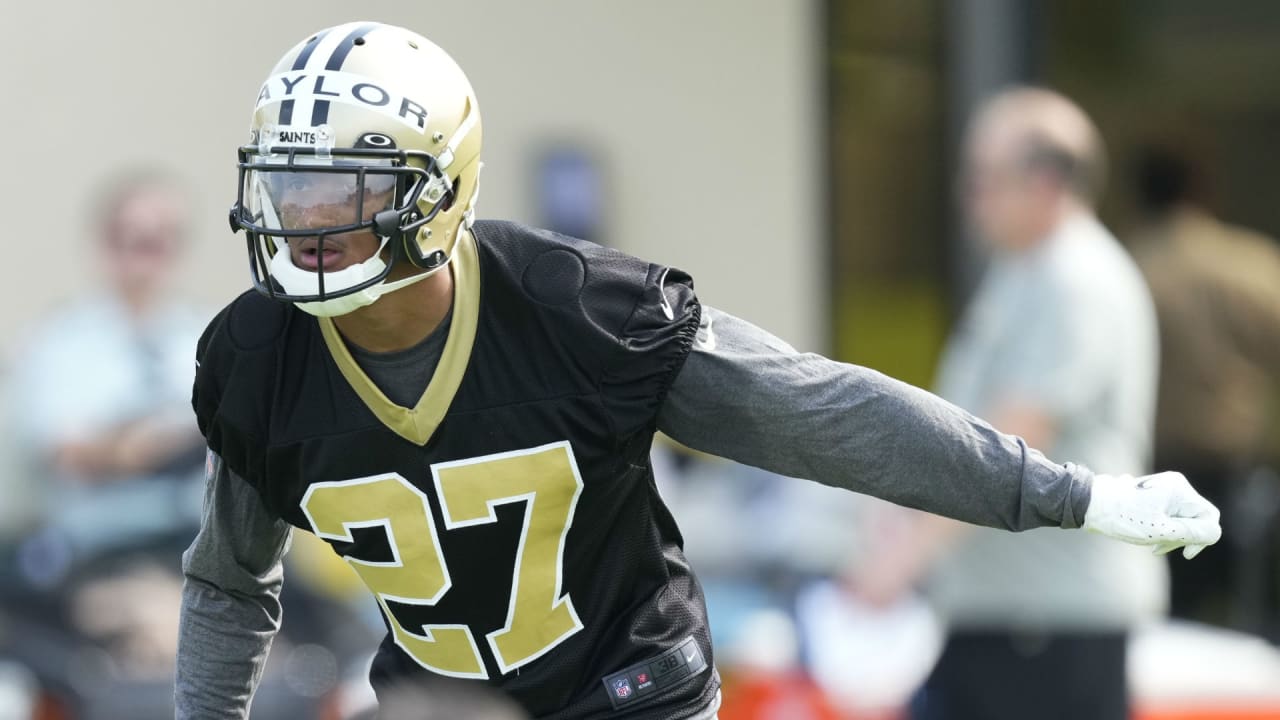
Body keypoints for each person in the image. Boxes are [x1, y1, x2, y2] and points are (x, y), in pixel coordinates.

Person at [175, 23, 1221, 720]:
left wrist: (1062, 491)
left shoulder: (574, 313)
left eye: (344, 187)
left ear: (437, 186)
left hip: (630, 694)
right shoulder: (257, 364)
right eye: (290, 186)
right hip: (442, 704)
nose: (308, 223)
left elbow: (823, 413)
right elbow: (230, 581)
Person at [852, 88, 1167, 720]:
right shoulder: (1028, 270)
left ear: (1047, 182)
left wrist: (898, 561)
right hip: (1015, 620)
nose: (970, 198)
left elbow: (1004, 449)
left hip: (1046, 626)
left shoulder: (1072, 281)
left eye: (985, 179)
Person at [8, 169, 206, 571]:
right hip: (97, 546)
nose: (144, 256)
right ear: (104, 243)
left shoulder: (207, 337)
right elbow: (69, 453)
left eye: (158, 241)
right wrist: (157, 445)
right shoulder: (58, 341)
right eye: (131, 239)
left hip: (198, 538)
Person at [1129, 144, 1280, 629]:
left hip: (1142, 478)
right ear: (1204, 190)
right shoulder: (1247, 266)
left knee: (1164, 627)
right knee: (1249, 628)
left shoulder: (1124, 269)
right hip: (1236, 474)